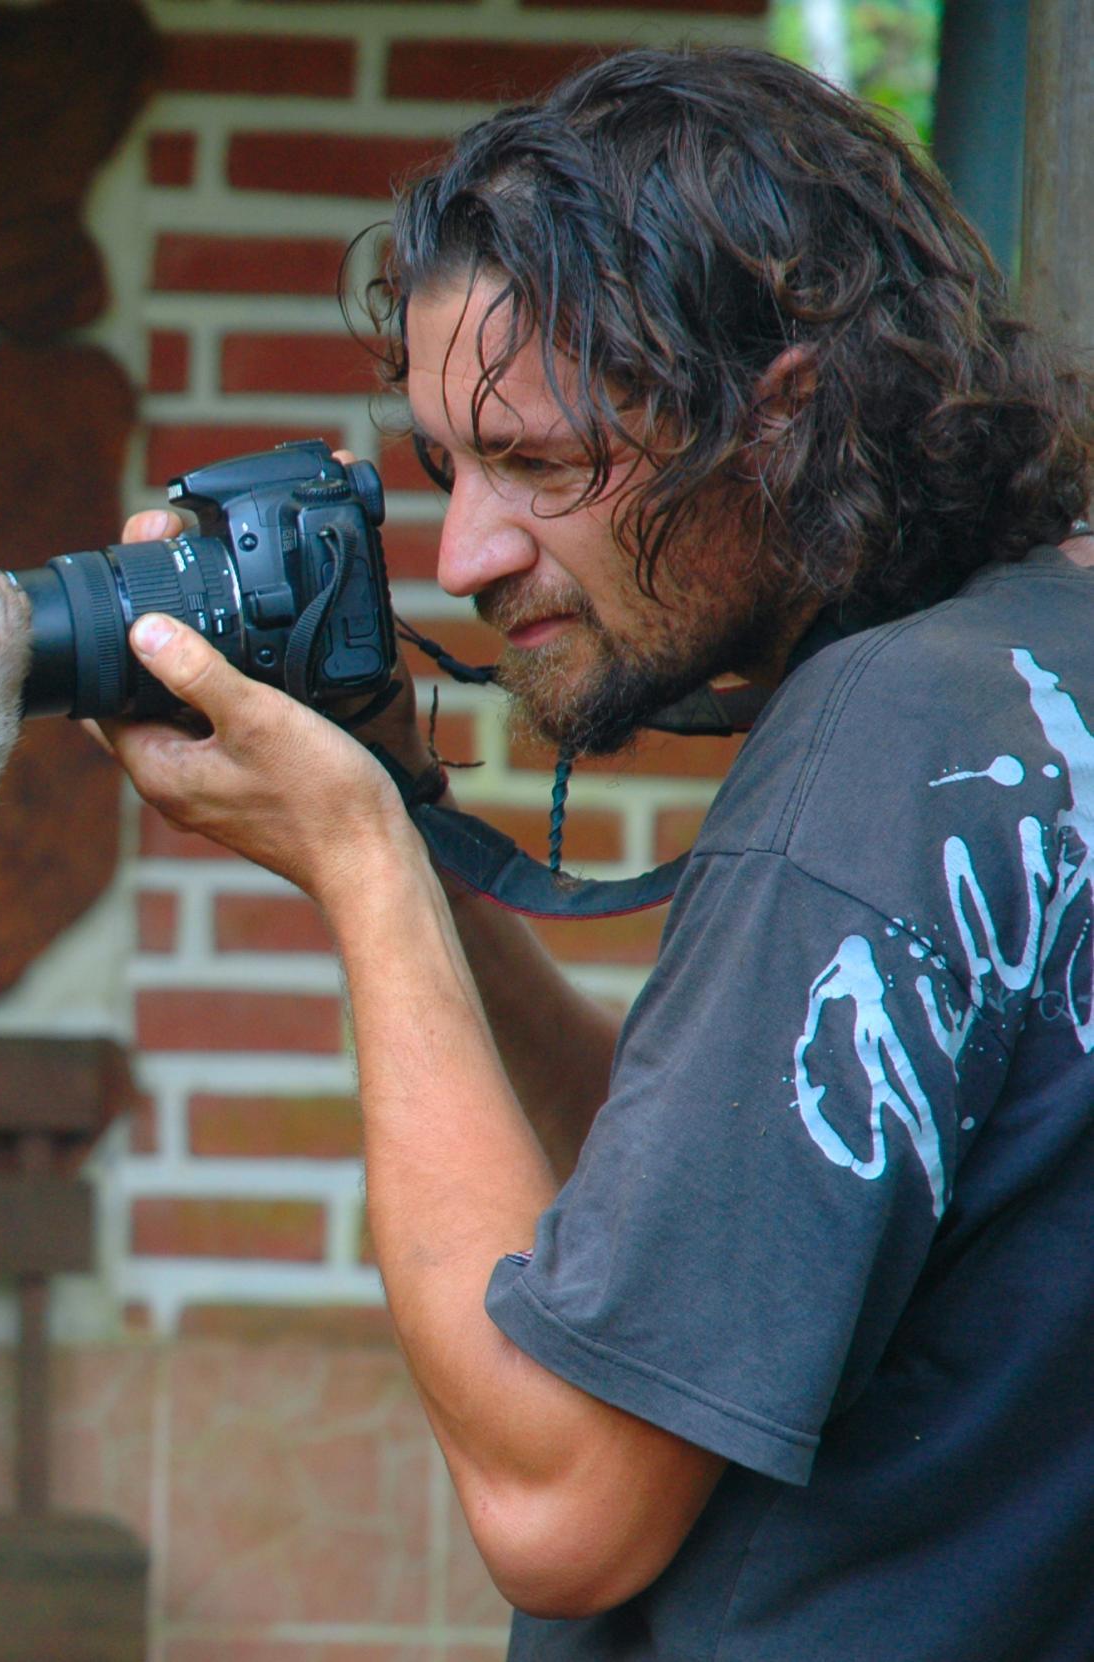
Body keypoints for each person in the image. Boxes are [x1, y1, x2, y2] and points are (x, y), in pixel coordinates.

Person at [106, 47, 1094, 1660]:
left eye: (544, 465)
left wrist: (359, 864)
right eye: (448, 467)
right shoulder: (1036, 677)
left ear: (782, 419)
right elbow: (666, 1252)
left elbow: (560, 1500)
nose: (465, 555)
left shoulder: (883, 741)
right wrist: (413, 836)